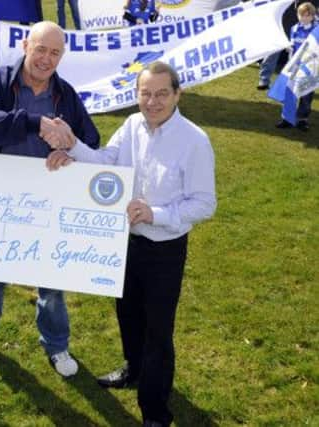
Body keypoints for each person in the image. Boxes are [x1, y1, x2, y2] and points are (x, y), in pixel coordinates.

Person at [46, 62, 216, 426]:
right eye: (145, 93)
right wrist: (73, 147)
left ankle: (155, 413)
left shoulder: (194, 140)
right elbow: (108, 161)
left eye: (161, 94)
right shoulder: (131, 126)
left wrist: (154, 213)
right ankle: (134, 369)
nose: (152, 102)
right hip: (124, 242)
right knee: (127, 314)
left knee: (158, 330)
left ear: (177, 94)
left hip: (164, 249)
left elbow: (205, 203)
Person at [0, 21, 100, 377]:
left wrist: (72, 154)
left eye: (54, 53)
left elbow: (91, 141)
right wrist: (34, 122)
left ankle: (57, 346)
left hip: (49, 198)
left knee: (51, 280)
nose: (46, 59)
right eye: (40, 49)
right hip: (2, 196)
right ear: (25, 47)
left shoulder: (65, 93)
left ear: (61, 56)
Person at [275, 1, 318, 131]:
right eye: (301, 15)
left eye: (307, 15)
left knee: (306, 94)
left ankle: (302, 120)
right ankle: (287, 118)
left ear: (312, 16)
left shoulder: (316, 30)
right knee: (290, 92)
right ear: (298, 15)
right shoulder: (294, 28)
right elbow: (293, 44)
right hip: (293, 66)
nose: (304, 18)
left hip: (310, 67)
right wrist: (289, 48)